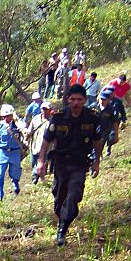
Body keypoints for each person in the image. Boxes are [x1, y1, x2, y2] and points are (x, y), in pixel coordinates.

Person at [35, 85, 102, 246]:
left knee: (74, 195)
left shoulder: (92, 118)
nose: (76, 103)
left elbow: (97, 142)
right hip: (61, 163)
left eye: (79, 99)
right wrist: (41, 161)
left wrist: (97, 162)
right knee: (59, 197)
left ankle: (62, 229)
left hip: (79, 163)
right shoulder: (58, 117)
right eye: (73, 99)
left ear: (85, 100)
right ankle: (61, 218)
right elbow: (46, 140)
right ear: (68, 100)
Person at [0, 104, 26, 202]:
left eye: (8, 116)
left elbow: (26, 133)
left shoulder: (19, 124)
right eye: (4, 116)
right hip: (3, 152)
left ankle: (15, 183)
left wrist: (20, 125)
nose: (6, 118)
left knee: (15, 172)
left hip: (15, 152)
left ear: (12, 115)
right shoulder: (0, 125)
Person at [26, 101, 54, 185]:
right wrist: (27, 136)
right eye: (43, 109)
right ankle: (41, 179)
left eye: (46, 109)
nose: (44, 111)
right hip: (34, 146)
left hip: (46, 148)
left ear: (50, 110)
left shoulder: (52, 121)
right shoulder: (36, 119)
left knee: (39, 165)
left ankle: (34, 179)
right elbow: (30, 130)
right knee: (34, 164)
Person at [97, 88, 123, 156]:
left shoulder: (110, 109)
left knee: (102, 142)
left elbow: (114, 121)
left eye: (104, 100)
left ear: (108, 100)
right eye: (101, 99)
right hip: (94, 130)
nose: (102, 101)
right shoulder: (94, 107)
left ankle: (100, 155)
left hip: (105, 130)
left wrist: (116, 134)